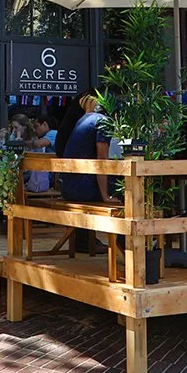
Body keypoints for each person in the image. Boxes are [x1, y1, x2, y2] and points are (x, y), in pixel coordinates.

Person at [57, 93, 115, 253]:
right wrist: (106, 196)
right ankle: (125, 245)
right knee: (127, 192)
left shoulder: (83, 119)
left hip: (68, 187)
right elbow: (102, 161)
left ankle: (85, 241)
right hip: (82, 189)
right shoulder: (104, 122)